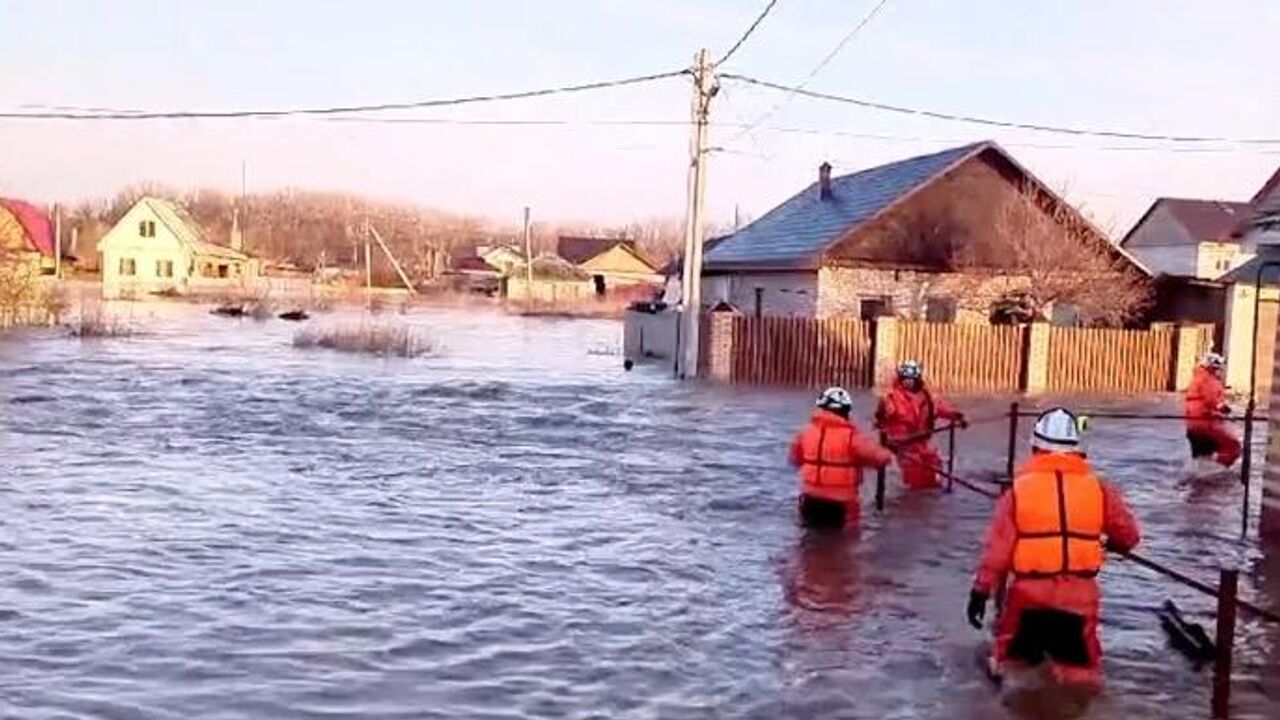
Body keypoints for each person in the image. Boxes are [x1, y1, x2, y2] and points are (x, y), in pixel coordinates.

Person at [966, 408, 1141, 689]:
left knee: (1011, 668)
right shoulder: (1099, 489)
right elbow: (1129, 536)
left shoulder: (1018, 491)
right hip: (1080, 597)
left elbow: (997, 551)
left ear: (1036, 447)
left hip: (1029, 595)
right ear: (1077, 450)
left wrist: (980, 592)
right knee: (1080, 678)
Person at [788, 387, 894, 530]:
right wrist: (889, 451)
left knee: (809, 542)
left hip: (810, 499)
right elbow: (880, 458)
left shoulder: (805, 432)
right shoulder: (851, 436)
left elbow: (795, 459)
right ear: (846, 410)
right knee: (843, 545)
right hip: (841, 503)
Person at [875, 360, 966, 489]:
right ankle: (913, 498)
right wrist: (883, 415)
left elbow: (939, 407)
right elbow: (884, 415)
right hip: (903, 444)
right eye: (905, 379)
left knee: (934, 463)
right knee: (914, 472)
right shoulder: (893, 396)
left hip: (921, 440)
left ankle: (932, 492)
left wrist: (956, 416)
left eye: (911, 379)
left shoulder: (926, 395)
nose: (908, 382)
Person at [1184, 352, 1241, 471]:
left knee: (1201, 456)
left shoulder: (1197, 379)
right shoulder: (1209, 380)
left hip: (1192, 427)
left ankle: (1197, 477)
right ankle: (1217, 471)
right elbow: (1214, 401)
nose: (1220, 371)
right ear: (1213, 367)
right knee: (1234, 447)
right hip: (1206, 425)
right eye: (1218, 368)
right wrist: (1226, 410)